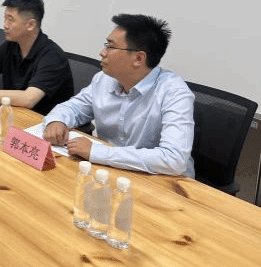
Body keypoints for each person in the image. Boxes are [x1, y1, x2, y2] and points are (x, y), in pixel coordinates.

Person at [42, 14, 195, 177]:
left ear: (138, 58)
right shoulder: (103, 79)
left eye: (110, 46)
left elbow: (174, 159)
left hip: (161, 180)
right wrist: (57, 120)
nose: (102, 52)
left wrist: (97, 152)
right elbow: (73, 108)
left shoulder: (174, 93)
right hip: (110, 171)